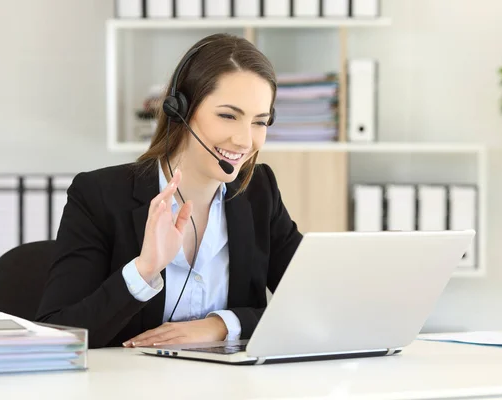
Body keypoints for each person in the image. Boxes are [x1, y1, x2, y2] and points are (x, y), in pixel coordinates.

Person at [35, 33, 303, 349]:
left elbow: (313, 306)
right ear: (181, 110)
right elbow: (59, 335)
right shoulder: (99, 197)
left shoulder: (259, 192)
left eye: (260, 122)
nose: (245, 141)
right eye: (228, 116)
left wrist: (222, 325)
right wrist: (143, 270)